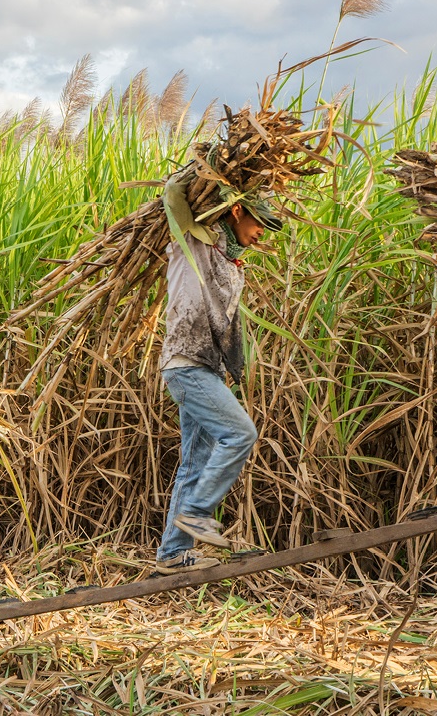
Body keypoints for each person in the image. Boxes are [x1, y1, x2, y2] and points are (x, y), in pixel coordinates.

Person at [154, 171, 283, 575]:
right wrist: (219, 171)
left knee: (195, 463)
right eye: (259, 223)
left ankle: (173, 554)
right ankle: (195, 514)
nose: (262, 234)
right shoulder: (194, 242)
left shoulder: (232, 264)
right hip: (185, 364)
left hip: (206, 369)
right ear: (238, 211)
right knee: (241, 434)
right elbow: (173, 192)